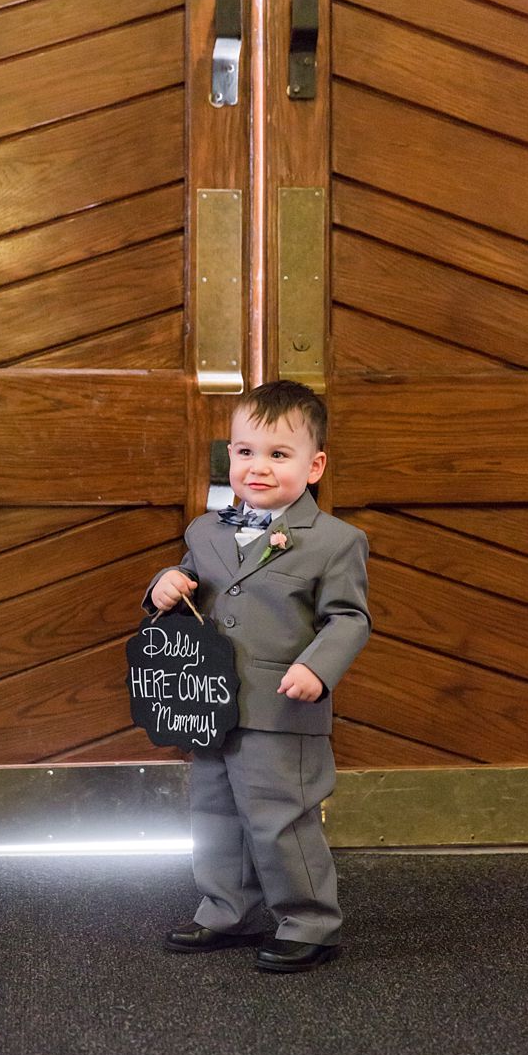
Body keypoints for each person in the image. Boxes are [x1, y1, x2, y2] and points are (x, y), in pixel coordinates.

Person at [144, 380, 370, 973]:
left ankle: (310, 921)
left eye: (278, 454)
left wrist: (316, 668)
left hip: (282, 705)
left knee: (279, 817)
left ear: (314, 465)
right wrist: (163, 586)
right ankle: (225, 909)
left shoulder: (336, 542)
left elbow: (349, 618)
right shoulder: (205, 531)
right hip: (211, 703)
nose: (258, 467)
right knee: (215, 812)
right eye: (245, 452)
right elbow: (191, 590)